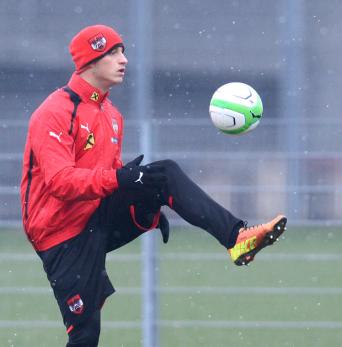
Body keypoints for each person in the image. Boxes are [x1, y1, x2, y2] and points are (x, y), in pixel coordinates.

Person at [20, 24, 287, 347]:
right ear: (90, 61)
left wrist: (144, 199)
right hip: (61, 235)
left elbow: (111, 175)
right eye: (113, 53)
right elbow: (61, 182)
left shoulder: (112, 114)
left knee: (164, 176)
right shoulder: (54, 112)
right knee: (85, 335)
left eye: (123, 51)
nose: (124, 60)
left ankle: (238, 237)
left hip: (96, 217)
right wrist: (122, 179)